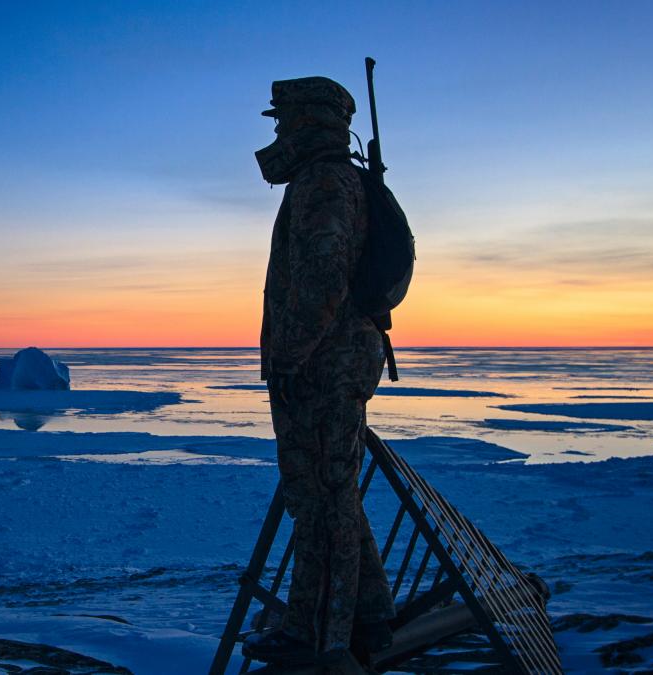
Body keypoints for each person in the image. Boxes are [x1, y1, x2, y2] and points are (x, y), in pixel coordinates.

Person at [243, 76, 396, 665]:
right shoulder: (334, 179)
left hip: (322, 366)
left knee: (320, 504)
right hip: (331, 360)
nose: (279, 131)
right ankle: (369, 614)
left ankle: (314, 636)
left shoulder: (324, 182)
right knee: (334, 495)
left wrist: (289, 355)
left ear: (308, 121)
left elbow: (322, 279)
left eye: (285, 120)